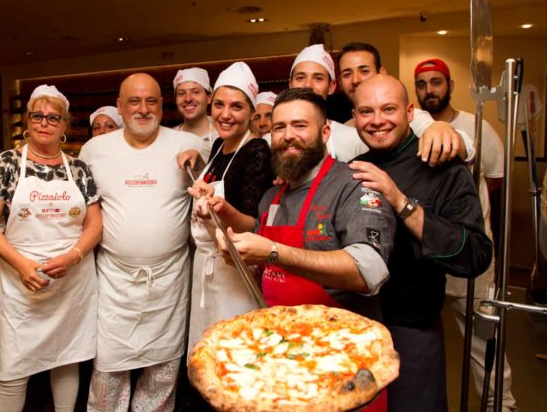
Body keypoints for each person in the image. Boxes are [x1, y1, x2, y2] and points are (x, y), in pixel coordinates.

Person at [209, 87, 396, 411]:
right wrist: (229, 225)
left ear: (325, 132)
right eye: (279, 128)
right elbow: (262, 239)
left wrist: (271, 252)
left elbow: (370, 270)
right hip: (283, 360)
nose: (287, 136)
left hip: (342, 361)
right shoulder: (273, 196)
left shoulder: (357, 184)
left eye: (300, 126)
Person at [348, 75, 492, 412]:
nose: (377, 120)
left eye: (388, 109)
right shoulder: (353, 169)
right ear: (354, 117)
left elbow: (475, 255)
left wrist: (400, 202)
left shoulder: (443, 166)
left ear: (410, 112)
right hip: (356, 329)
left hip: (413, 330)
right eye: (366, 111)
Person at [79, 73, 203, 412]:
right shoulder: (94, 150)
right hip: (114, 280)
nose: (143, 109)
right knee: (108, 368)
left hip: (169, 278)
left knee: (162, 373)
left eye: (151, 101)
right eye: (134, 101)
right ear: (120, 106)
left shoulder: (189, 145)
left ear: (162, 106)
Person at [0, 84, 102, 412]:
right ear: (28, 122)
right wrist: (21, 264)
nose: (44, 123)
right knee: (13, 368)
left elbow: (94, 224)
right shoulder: (6, 163)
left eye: (53, 118)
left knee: (67, 357)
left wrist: (72, 257)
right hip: (21, 282)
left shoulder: (78, 168)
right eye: (37, 116)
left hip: (72, 280)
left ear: (64, 126)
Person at [414, 58, 515, 411]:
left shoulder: (478, 127)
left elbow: (495, 182)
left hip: (467, 252)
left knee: (484, 344)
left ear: (450, 85)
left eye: (436, 82)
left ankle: (499, 404)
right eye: (422, 84)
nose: (430, 90)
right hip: (424, 256)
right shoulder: (412, 128)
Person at [185, 62, 274, 355]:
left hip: (234, 269)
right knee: (205, 353)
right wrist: (196, 164)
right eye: (219, 105)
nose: (225, 114)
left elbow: (251, 224)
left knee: (231, 354)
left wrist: (219, 208)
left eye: (236, 107)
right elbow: (221, 180)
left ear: (250, 112)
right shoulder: (216, 148)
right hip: (206, 267)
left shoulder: (257, 150)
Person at [338, 41, 474, 166]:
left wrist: (441, 129)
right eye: (347, 74)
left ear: (382, 73)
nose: (355, 80)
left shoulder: (407, 117)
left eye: (364, 71)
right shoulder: (346, 127)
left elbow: (466, 149)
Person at [287, 44, 369, 162]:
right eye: (300, 78)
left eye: (318, 78)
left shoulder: (354, 139)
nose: (308, 85)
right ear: (290, 85)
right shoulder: (272, 141)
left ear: (331, 86)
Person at [173, 67, 218, 160]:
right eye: (181, 93)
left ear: (209, 97)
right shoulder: (170, 138)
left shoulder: (223, 135)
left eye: (195, 92)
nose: (188, 98)